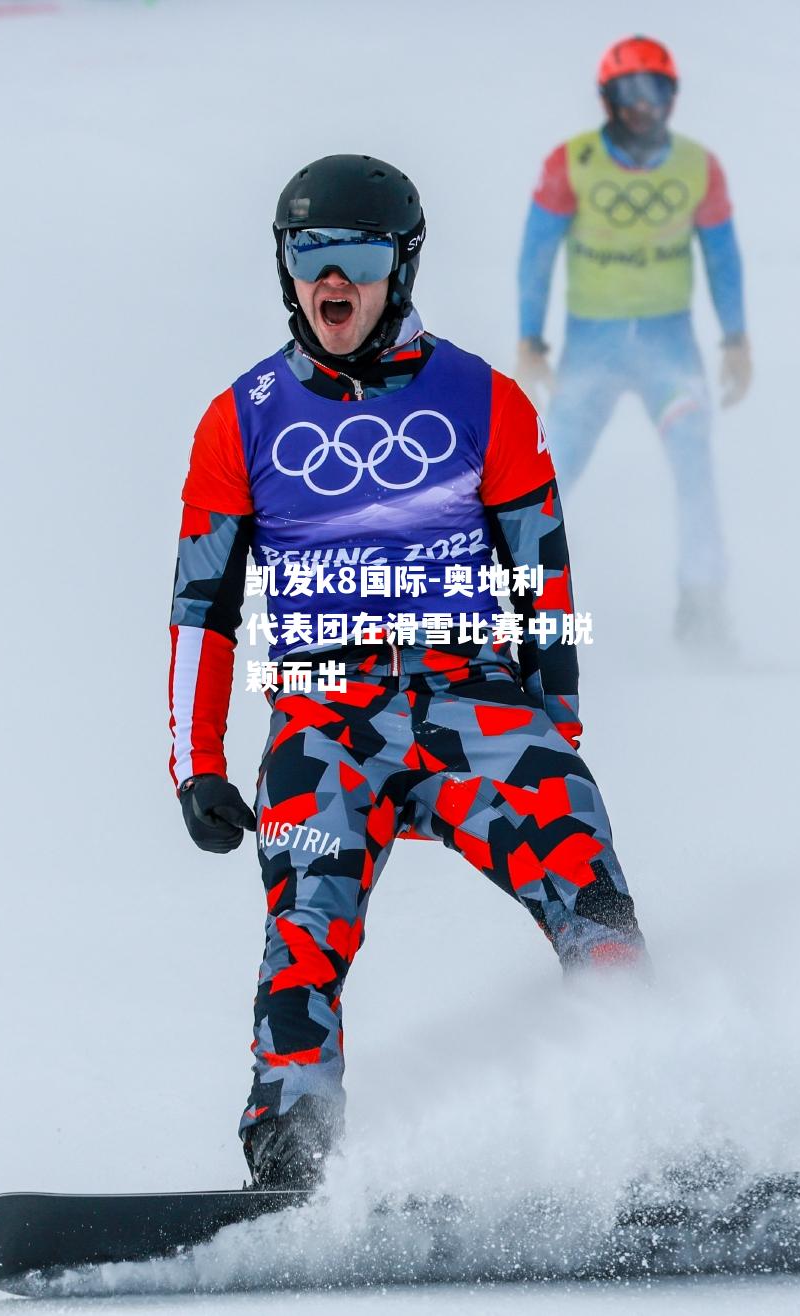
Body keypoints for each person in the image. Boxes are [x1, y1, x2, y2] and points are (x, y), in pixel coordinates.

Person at [167, 155, 649, 1191]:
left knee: (586, 878)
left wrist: (553, 724)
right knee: (303, 917)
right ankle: (292, 1157)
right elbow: (200, 604)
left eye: (356, 256)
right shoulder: (240, 417)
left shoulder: (482, 399)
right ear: (284, 268)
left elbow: (543, 577)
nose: (328, 280)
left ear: (402, 265)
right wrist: (195, 760)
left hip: (471, 696)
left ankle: (650, 1112)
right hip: (322, 715)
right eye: (307, 255)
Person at [516, 35, 751, 653]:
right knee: (550, 478)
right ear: (608, 97)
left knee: (695, 468)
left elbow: (722, 256)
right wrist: (530, 338)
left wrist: (736, 339)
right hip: (590, 354)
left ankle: (701, 608)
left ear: (672, 97)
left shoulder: (698, 166)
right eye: (630, 93)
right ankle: (514, 614)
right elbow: (536, 255)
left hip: (669, 353)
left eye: (656, 93)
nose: (643, 107)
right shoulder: (571, 163)